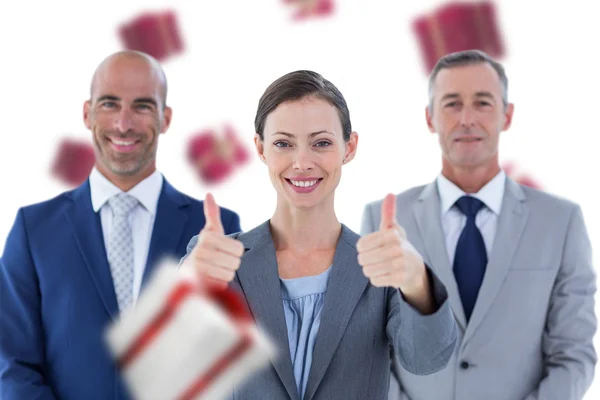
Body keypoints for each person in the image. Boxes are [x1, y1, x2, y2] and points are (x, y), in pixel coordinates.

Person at [180, 70, 458, 400]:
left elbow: (427, 359)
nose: (302, 162)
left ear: (349, 147)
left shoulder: (382, 264)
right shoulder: (223, 260)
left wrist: (416, 279)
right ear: (261, 149)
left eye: (321, 143)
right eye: (283, 143)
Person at [0, 50, 242, 400]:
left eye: (142, 106)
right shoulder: (33, 230)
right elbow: (12, 364)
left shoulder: (214, 229)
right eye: (109, 104)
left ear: (166, 118)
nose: (123, 123)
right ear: (87, 113)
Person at [360, 50, 597, 400]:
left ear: (507, 115)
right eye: (452, 104)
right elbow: (369, 352)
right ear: (430, 118)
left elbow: (574, 355)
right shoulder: (384, 219)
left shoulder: (561, 223)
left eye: (483, 103)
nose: (467, 118)